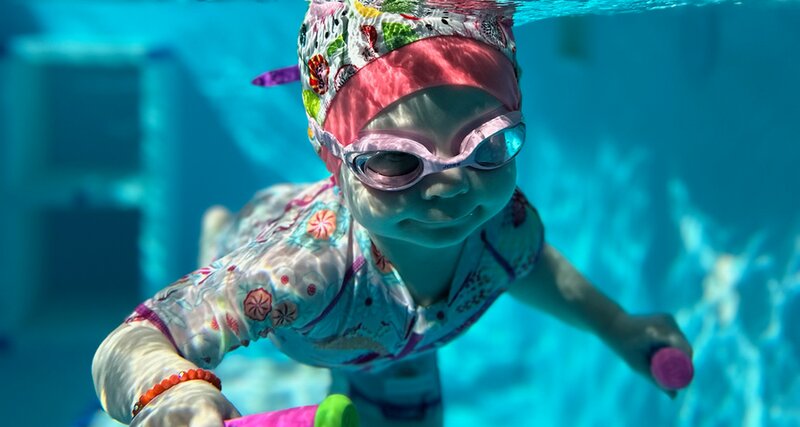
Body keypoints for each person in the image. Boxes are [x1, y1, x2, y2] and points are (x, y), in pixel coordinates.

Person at [92, 1, 693, 426]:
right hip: (276, 236)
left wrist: (619, 326)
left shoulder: (503, 220)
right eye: (396, 162)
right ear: (336, 160)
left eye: (487, 145)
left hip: (391, 350)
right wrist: (169, 394)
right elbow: (131, 341)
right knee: (226, 251)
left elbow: (532, 265)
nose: (453, 187)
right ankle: (218, 228)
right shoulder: (299, 271)